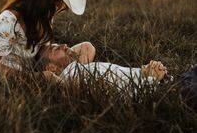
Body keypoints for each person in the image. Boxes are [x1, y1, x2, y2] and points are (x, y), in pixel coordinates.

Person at [39, 43, 169, 87]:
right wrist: (150, 77)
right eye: (55, 49)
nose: (63, 45)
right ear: (51, 67)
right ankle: (152, 80)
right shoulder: (67, 78)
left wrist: (67, 51)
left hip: (137, 75)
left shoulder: (78, 66)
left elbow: (86, 46)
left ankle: (151, 76)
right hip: (136, 86)